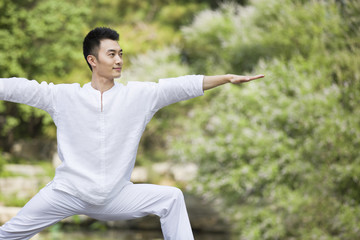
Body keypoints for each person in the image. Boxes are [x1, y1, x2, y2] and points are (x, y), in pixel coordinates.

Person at [0, 27, 264, 240]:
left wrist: (226, 78)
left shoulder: (139, 96)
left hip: (115, 197)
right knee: (7, 235)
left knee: (171, 198)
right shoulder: (63, 96)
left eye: (120, 54)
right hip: (67, 194)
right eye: (111, 54)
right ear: (92, 60)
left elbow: (181, 86)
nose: (119, 60)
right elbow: (19, 88)